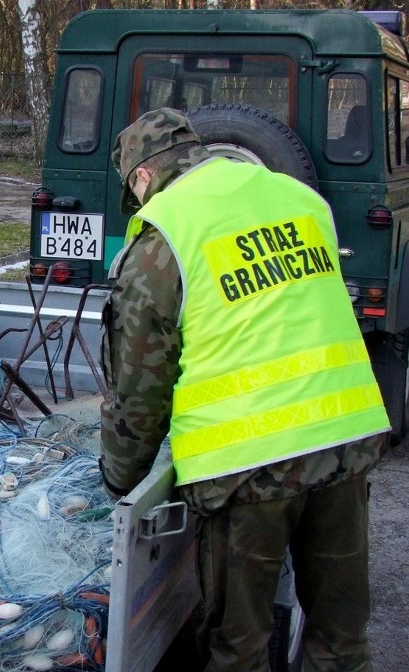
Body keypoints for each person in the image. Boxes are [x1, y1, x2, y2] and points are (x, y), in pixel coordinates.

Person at [99, 107, 390, 672]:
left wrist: (120, 482)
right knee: (341, 640)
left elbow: (139, 387)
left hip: (248, 469)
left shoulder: (165, 235)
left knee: (240, 650)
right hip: (345, 442)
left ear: (141, 177)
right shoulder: (299, 199)